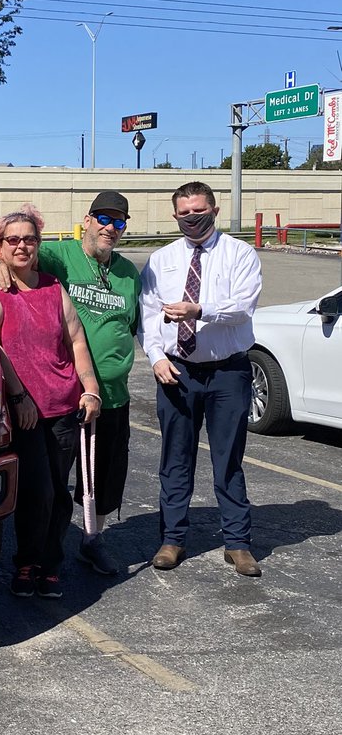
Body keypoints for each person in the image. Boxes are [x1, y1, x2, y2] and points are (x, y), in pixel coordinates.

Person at [0, 190, 140, 576]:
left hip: (112, 394)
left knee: (103, 475)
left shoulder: (128, 273)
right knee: (48, 483)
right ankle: (38, 555)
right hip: (64, 392)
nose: (110, 227)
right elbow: (19, 253)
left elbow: (133, 325)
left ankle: (92, 540)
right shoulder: (63, 256)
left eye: (118, 222)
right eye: (103, 218)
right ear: (86, 221)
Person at [0, 206, 101, 599]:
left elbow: (75, 339)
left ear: (39, 243)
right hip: (22, 409)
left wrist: (90, 388)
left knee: (59, 493)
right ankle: (25, 563)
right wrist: (18, 395)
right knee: (35, 491)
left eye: (29, 239)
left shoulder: (52, 286)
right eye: (12, 240)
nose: (22, 246)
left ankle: (50, 566)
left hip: (64, 405)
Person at [139, 181, 263, 576]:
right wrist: (156, 357)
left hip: (228, 372)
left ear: (214, 209)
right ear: (174, 215)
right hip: (178, 371)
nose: (192, 217)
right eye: (184, 212)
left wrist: (200, 309)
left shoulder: (240, 253)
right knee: (176, 458)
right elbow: (148, 314)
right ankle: (172, 539)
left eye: (199, 210)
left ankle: (238, 544)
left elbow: (243, 307)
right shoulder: (161, 259)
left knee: (228, 458)